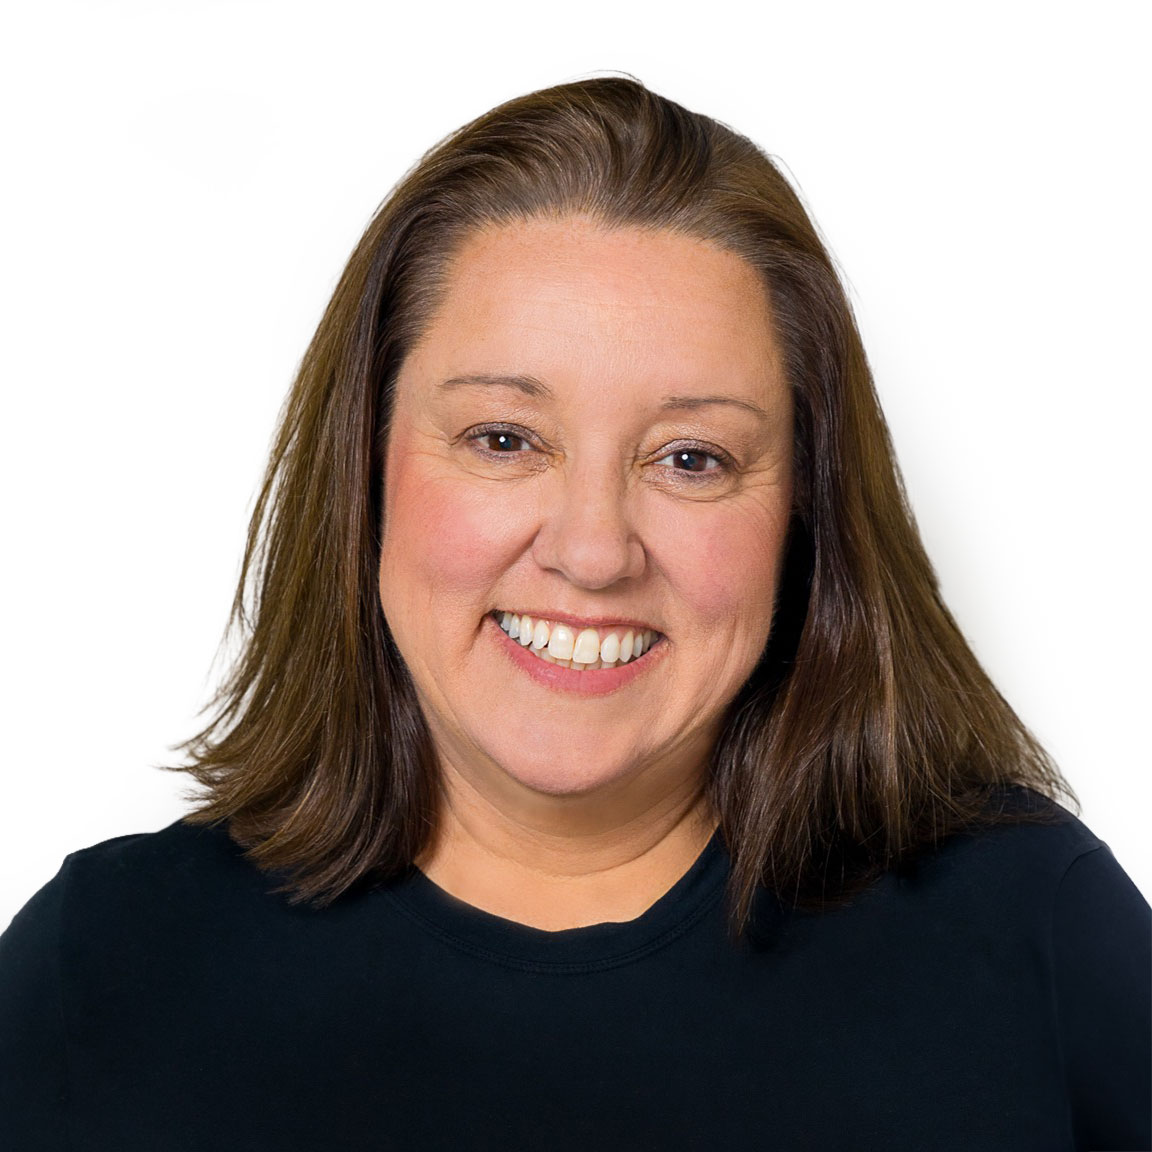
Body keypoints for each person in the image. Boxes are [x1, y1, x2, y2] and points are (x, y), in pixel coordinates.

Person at [1, 76, 1148, 1150]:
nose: (594, 552)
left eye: (692, 459)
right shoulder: (99, 969)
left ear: (804, 510)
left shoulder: (1034, 937)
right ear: (365, 467)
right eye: (505, 439)